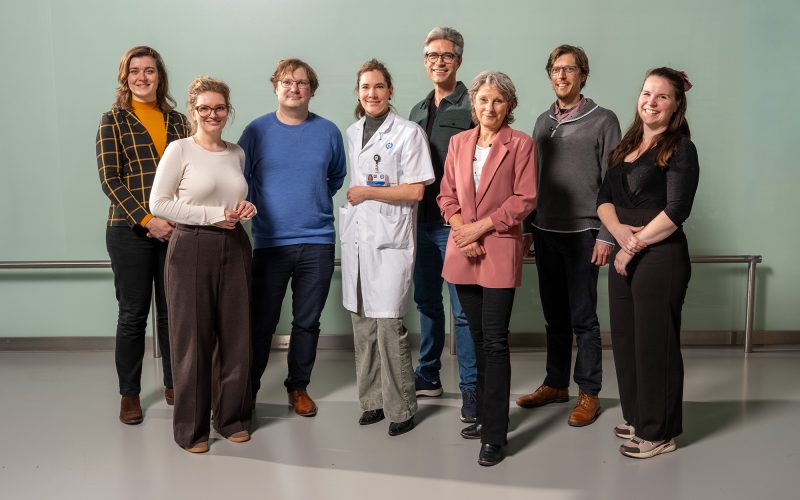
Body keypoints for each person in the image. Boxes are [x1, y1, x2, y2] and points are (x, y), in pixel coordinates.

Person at [516, 45, 621, 427]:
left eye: (569, 69)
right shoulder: (544, 121)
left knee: (583, 317)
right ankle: (555, 383)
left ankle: (589, 391)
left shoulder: (603, 120)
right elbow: (531, 180)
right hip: (546, 231)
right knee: (554, 315)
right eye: (555, 69)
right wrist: (528, 229)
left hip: (585, 232)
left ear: (583, 75)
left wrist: (608, 234)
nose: (561, 75)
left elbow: (615, 181)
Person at [150, 76, 256, 453]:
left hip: (236, 246)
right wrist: (213, 215)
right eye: (205, 108)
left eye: (220, 108)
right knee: (192, 340)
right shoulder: (179, 150)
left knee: (235, 337)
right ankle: (191, 431)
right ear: (193, 111)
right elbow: (159, 204)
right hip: (191, 249)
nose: (213, 114)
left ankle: (231, 419)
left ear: (228, 110)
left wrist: (247, 208)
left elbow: (236, 197)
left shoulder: (237, 152)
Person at [597, 67, 699, 459]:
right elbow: (603, 198)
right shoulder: (628, 145)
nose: (650, 102)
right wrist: (620, 234)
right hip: (627, 250)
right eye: (646, 93)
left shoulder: (680, 148)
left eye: (661, 96)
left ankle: (660, 432)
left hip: (660, 257)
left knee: (656, 344)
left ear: (676, 106)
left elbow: (676, 212)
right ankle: (639, 415)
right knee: (626, 340)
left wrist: (632, 243)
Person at [438, 71, 536, 466]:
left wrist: (481, 228)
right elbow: (446, 197)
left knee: (495, 341)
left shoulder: (521, 144)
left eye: (497, 101)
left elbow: (524, 198)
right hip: (463, 250)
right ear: (473, 104)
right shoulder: (459, 143)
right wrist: (464, 233)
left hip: (498, 249)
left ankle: (495, 433)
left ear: (509, 105)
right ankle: (481, 414)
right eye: (482, 100)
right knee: (474, 337)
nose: (489, 107)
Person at [239, 59, 346, 417]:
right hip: (270, 242)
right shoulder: (256, 132)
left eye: (302, 83)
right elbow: (241, 177)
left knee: (307, 322)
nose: (294, 88)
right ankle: (246, 389)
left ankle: (298, 387)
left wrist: (308, 202)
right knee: (261, 323)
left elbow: (335, 177)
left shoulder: (328, 132)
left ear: (311, 90)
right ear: (275, 87)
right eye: (287, 82)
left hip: (317, 240)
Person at [96, 46, 191, 425]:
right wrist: (147, 219)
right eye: (135, 71)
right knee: (133, 315)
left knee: (172, 314)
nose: (142, 77)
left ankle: (174, 384)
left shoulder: (181, 122)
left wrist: (177, 220)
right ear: (126, 78)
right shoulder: (113, 120)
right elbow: (110, 179)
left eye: (149, 70)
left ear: (159, 76)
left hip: (174, 230)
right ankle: (129, 394)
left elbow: (190, 175)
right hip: (128, 231)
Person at [340, 59, 434, 437]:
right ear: (358, 92)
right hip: (359, 237)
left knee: (389, 325)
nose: (372, 94)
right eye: (365, 87)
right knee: (362, 324)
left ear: (390, 90)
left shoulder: (408, 132)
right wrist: (360, 199)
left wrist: (367, 191)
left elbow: (416, 190)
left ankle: (401, 407)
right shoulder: (352, 131)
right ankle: (373, 401)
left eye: (378, 87)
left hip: (391, 241)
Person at [408, 26, 478, 422]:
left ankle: (471, 387)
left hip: (457, 224)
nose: (438, 62)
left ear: (459, 61)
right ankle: (429, 374)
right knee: (427, 303)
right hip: (420, 223)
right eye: (432, 56)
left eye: (446, 56)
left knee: (463, 311)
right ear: (425, 61)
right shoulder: (417, 110)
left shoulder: (474, 105)